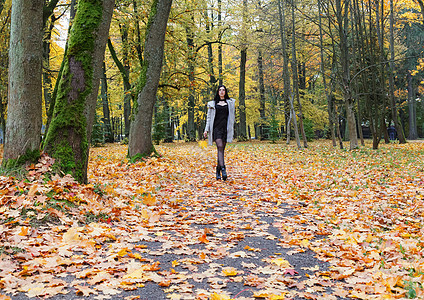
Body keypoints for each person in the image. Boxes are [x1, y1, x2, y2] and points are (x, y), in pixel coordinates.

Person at [203, 85, 236, 181]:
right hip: (216, 129)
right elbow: (208, 118)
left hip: (225, 129)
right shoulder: (212, 104)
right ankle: (223, 169)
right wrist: (206, 130)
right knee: (220, 147)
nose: (221, 92)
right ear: (218, 92)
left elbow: (232, 117)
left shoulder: (230, 103)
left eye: (223, 90)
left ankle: (217, 171)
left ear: (225, 92)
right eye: (220, 90)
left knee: (221, 151)